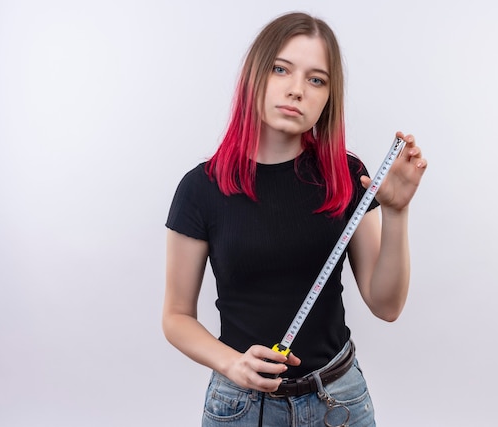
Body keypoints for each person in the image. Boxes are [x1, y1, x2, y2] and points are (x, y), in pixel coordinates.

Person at [163, 11, 427, 427]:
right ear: (254, 75)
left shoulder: (346, 174)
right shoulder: (201, 188)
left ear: (328, 97)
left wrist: (397, 211)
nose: (296, 90)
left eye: (316, 79)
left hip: (338, 402)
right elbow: (176, 316)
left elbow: (386, 304)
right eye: (281, 69)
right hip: (240, 407)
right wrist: (233, 365)